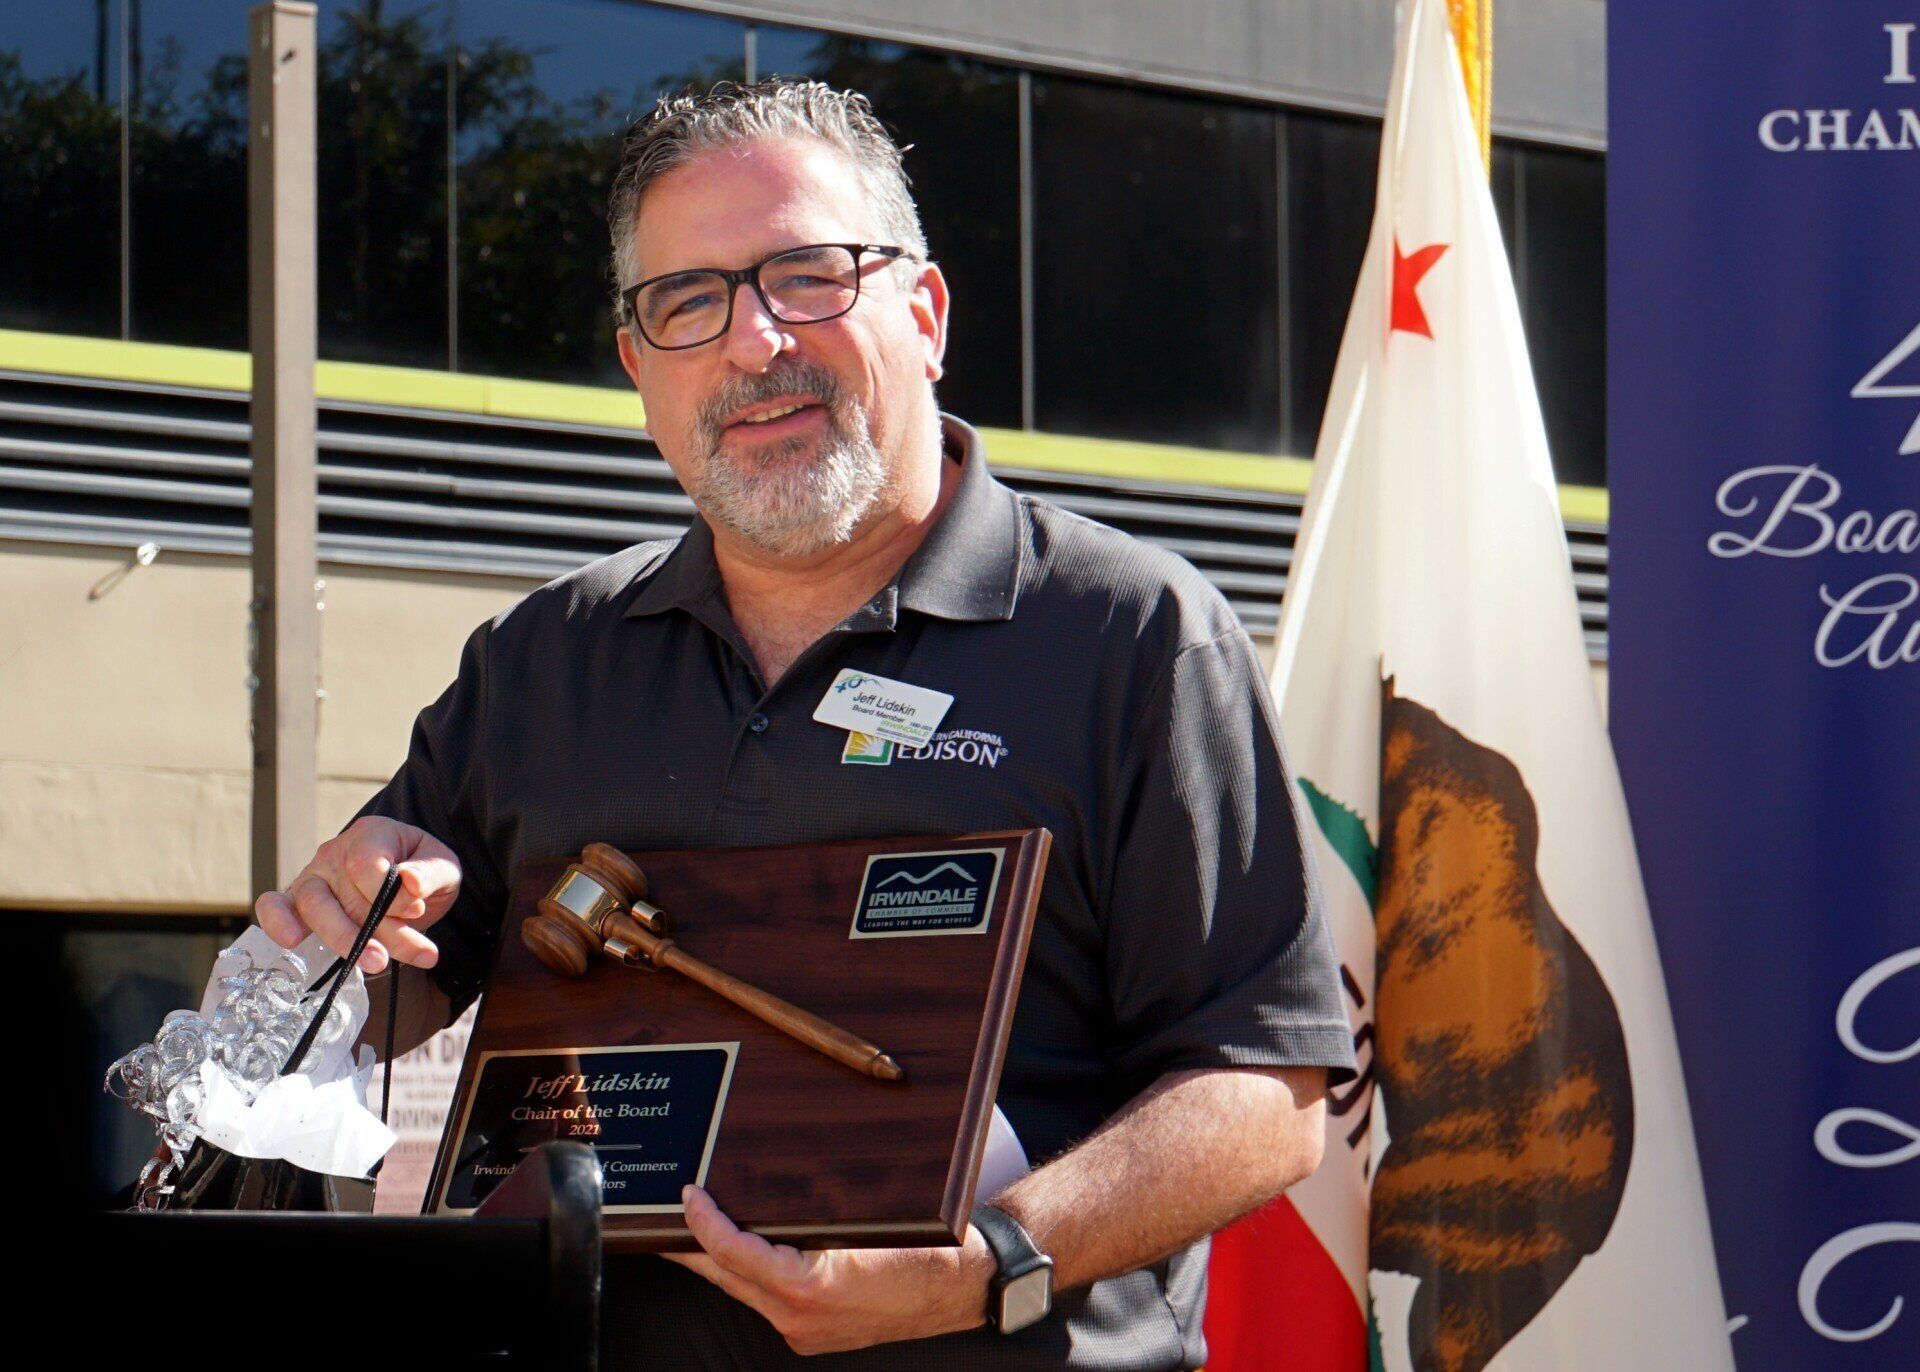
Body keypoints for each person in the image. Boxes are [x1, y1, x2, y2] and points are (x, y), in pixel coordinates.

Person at [254, 79, 1355, 1370]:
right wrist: (343, 932)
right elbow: (356, 1008)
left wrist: (982, 1263)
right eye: (690, 301)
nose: (756, 341)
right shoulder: (541, 664)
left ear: (927, 314)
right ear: (640, 365)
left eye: (809, 276)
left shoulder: (1133, 637)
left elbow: (1266, 1098)